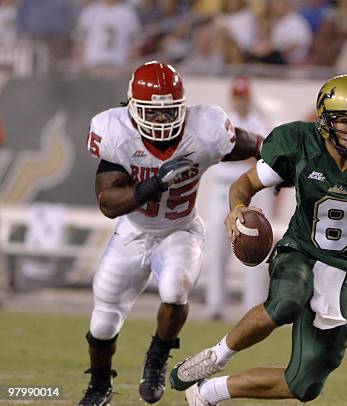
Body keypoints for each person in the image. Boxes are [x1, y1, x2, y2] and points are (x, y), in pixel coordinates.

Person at [169, 74, 347, 405]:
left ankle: (207, 393)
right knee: (288, 300)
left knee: (303, 385)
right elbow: (244, 185)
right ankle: (216, 356)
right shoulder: (299, 142)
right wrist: (237, 208)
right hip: (299, 250)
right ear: (325, 121)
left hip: (341, 269)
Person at [78, 61, 263, 406]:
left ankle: (158, 356)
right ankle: (100, 383)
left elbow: (252, 144)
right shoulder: (116, 133)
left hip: (181, 229)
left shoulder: (205, 129)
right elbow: (108, 202)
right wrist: (152, 185)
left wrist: (282, 161)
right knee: (103, 321)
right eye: (153, 112)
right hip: (133, 232)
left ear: (182, 107)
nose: (162, 121)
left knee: (176, 289)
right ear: (133, 107)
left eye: (169, 112)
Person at [204, 76, 273, 319]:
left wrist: (244, 153)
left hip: (254, 189)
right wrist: (248, 153)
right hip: (223, 187)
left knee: (257, 246)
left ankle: (252, 306)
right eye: (238, 96)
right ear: (232, 97)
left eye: (245, 97)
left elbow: (266, 157)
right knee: (219, 247)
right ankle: (215, 305)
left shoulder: (260, 121)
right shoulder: (223, 121)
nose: (242, 101)